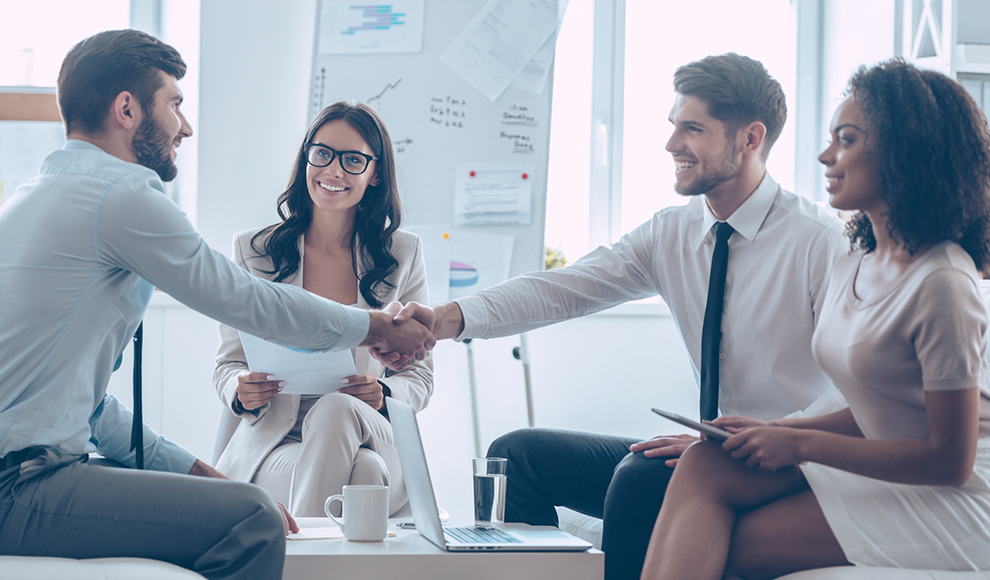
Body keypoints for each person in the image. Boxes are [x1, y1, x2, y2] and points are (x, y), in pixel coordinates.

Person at [389, 53, 846, 580]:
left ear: (750, 138)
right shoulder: (672, 234)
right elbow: (565, 288)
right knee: (517, 458)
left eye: (692, 128)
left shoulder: (817, 241)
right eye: (673, 126)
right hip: (705, 454)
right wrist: (444, 319)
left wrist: (751, 439)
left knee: (638, 478)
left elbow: (854, 390)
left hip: (788, 465)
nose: (672, 144)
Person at [0, 30, 432, 580]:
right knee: (251, 518)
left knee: (242, 498)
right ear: (127, 109)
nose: (186, 125)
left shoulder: (38, 191)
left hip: (26, 470)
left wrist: (201, 474)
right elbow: (245, 301)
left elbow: (86, 409)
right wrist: (374, 325)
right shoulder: (122, 195)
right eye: (174, 104)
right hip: (18, 483)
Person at [640, 58, 990, 580]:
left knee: (721, 544)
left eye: (846, 140)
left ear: (904, 153)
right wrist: (776, 428)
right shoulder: (859, 257)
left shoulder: (943, 283)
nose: (826, 156)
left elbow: (949, 460)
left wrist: (799, 443)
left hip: (955, 497)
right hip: (890, 468)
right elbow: (885, 407)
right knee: (705, 461)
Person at [213, 101, 432, 517]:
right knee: (364, 473)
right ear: (306, 157)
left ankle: (293, 567)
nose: (333, 171)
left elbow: (420, 375)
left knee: (339, 410)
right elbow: (228, 363)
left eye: (353, 160)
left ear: (375, 173)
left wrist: (384, 393)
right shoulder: (254, 251)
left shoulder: (403, 254)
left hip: (373, 428)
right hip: (279, 438)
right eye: (323, 153)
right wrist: (239, 389)